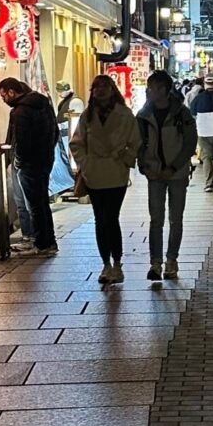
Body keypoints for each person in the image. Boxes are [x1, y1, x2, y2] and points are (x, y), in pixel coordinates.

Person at [69, 74, 140, 284]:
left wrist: (125, 158)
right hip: (94, 173)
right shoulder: (87, 116)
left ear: (112, 90)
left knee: (112, 217)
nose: (100, 91)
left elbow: (135, 141)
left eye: (104, 87)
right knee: (100, 219)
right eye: (96, 87)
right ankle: (105, 264)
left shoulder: (124, 114)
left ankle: (117, 264)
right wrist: (86, 163)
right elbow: (77, 143)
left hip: (116, 172)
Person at [136, 71, 198, 281]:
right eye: (149, 87)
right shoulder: (143, 116)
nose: (149, 91)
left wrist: (174, 167)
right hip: (154, 173)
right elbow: (139, 144)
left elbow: (190, 144)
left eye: (153, 88)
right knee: (156, 220)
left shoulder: (182, 114)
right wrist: (144, 166)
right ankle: (155, 264)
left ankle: (171, 260)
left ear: (164, 90)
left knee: (176, 219)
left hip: (177, 173)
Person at [0, 78, 59, 254]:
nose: (3, 99)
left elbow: (22, 142)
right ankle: (49, 242)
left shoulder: (21, 112)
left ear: (11, 92)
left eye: (3, 95)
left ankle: (41, 243)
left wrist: (18, 162)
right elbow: (54, 133)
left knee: (34, 205)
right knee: (42, 203)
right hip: (45, 160)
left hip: (30, 165)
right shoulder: (43, 104)